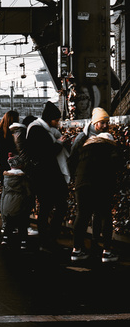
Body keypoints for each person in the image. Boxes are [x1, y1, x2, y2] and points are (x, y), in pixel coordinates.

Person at [69, 110, 123, 263]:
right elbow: (116, 163)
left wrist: (76, 178)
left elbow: (73, 159)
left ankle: (77, 250)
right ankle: (106, 251)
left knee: (82, 215)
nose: (105, 125)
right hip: (100, 183)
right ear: (94, 122)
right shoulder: (108, 143)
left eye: (107, 122)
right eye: (102, 122)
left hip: (82, 182)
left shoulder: (84, 142)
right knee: (105, 214)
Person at [24, 100, 70, 252]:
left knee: (48, 207)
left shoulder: (44, 130)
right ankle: (47, 240)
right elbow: (45, 153)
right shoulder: (38, 130)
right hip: (45, 177)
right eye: (56, 120)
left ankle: (48, 240)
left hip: (47, 176)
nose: (58, 123)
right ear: (49, 118)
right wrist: (59, 144)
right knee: (50, 207)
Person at [0, 154, 33, 250]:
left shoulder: (6, 178)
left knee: (9, 223)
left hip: (7, 203)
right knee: (22, 224)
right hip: (20, 203)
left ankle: (5, 239)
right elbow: (28, 192)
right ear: (21, 165)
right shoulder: (23, 178)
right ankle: (23, 242)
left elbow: (4, 193)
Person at [0, 110, 19, 175]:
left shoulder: (0, 134)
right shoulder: (12, 135)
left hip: (5, 169)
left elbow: (1, 155)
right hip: (13, 168)